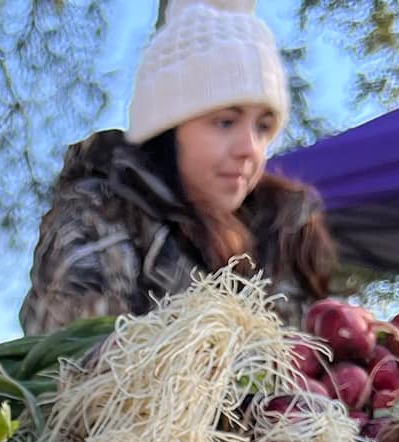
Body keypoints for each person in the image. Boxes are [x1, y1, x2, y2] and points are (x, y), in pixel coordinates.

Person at [20, 0, 335, 334]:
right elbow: (75, 361)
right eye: (225, 122)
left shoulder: (287, 233)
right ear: (167, 129)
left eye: (263, 127)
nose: (250, 150)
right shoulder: (101, 215)